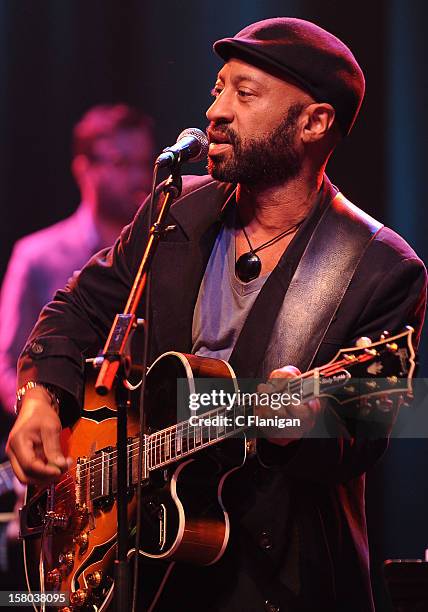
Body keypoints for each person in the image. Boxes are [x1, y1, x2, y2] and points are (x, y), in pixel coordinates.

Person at [6, 18, 427, 612]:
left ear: (314, 122)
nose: (217, 111)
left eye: (244, 93)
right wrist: (40, 398)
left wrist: (300, 421)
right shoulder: (177, 211)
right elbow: (80, 305)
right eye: (218, 89)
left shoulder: (380, 266)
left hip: (280, 580)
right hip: (152, 569)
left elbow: (366, 431)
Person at [0, 104, 155, 414]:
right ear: (84, 168)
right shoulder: (36, 254)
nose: (139, 176)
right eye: (122, 163)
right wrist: (47, 410)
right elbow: (6, 364)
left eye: (144, 162)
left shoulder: (159, 248)